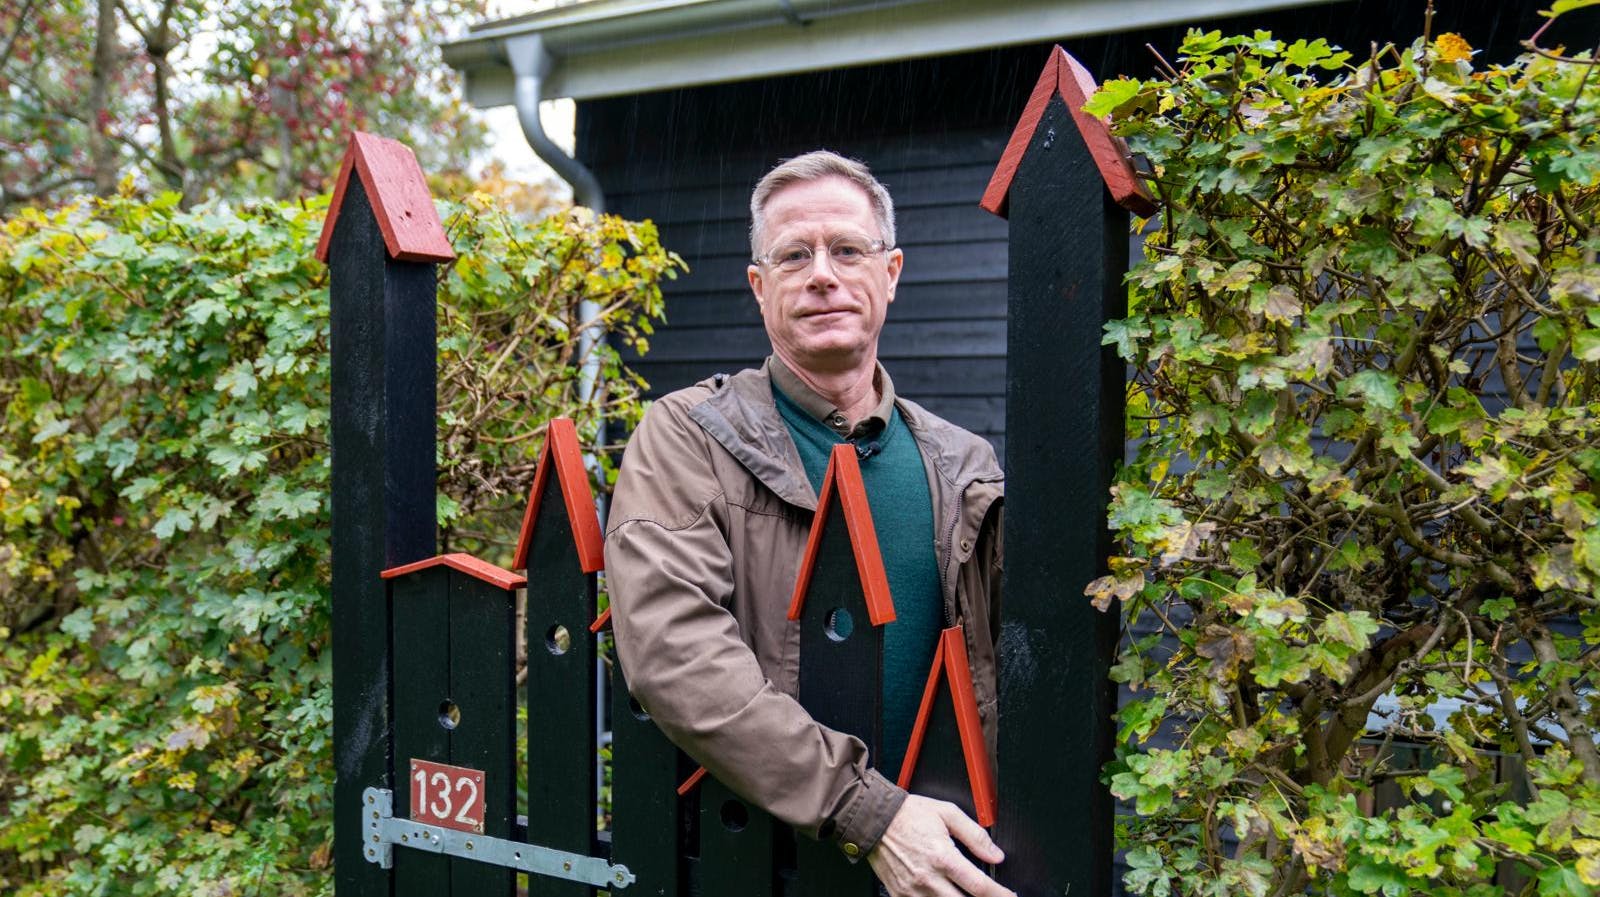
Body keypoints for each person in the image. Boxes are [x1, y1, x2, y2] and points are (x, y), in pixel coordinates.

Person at [605, 151, 1012, 897]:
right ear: (760, 289)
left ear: (890, 274)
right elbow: (677, 655)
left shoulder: (963, 463)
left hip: (944, 865)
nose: (822, 273)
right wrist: (868, 809)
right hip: (755, 865)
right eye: (794, 254)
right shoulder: (689, 436)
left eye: (847, 249)